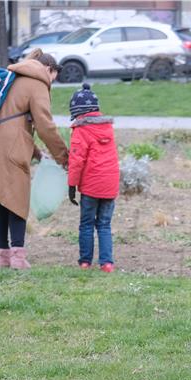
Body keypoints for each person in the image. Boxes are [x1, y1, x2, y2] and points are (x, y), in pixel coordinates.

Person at [0, 48, 68, 270]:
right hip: (7, 148)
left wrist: (37, 153)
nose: (52, 82)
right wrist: (64, 157)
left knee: (1, 199)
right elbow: (45, 126)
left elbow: (13, 119)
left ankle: (3, 257)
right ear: (48, 69)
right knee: (17, 199)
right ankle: (18, 258)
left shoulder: (11, 77)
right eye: (54, 77)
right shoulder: (37, 83)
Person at [66, 83, 120, 272]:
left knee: (87, 224)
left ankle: (85, 261)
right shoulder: (108, 128)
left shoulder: (81, 131)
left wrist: (72, 186)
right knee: (104, 224)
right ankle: (106, 263)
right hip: (110, 185)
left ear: (78, 112)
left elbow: (76, 161)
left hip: (90, 187)